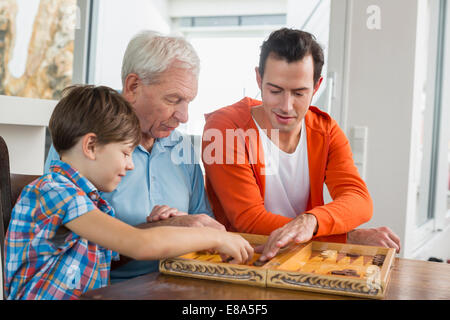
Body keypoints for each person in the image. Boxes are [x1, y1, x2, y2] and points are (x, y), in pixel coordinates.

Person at [4, 85, 253, 300]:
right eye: (125, 153)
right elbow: (138, 245)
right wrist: (218, 238)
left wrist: (166, 225)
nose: (130, 164)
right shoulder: (54, 192)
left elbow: (125, 245)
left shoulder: (90, 203)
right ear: (90, 146)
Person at [202, 28, 401, 262]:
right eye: (275, 91)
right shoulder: (225, 128)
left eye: (299, 93)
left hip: (302, 261)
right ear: (259, 79)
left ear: (316, 87)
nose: (286, 106)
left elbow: (359, 199)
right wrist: (346, 238)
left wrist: (312, 221)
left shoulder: (325, 130)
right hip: (238, 264)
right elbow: (249, 221)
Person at [44, 31, 225, 282]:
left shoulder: (181, 148)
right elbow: (73, 250)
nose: (184, 116)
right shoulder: (83, 143)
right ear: (133, 87)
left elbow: (204, 225)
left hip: (175, 284)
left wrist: (186, 225)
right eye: (174, 99)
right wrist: (163, 228)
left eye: (188, 102)